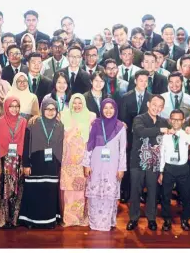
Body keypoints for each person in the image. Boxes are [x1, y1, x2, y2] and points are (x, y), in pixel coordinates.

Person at [19, 98, 63, 229]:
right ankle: (32, 220)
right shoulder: (33, 123)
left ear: (57, 111)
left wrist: (59, 165)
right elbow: (26, 145)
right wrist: (26, 164)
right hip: (35, 163)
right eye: (47, 109)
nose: (50, 112)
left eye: (53, 109)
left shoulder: (60, 125)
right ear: (42, 110)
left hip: (52, 164)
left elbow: (61, 146)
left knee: (49, 192)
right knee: (35, 191)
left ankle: (49, 220)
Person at [126, 95, 168, 231]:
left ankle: (151, 218)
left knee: (153, 192)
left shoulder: (163, 121)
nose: (156, 108)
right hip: (137, 162)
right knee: (135, 192)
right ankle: (133, 218)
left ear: (163, 108)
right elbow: (141, 131)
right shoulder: (139, 118)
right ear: (148, 104)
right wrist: (160, 130)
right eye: (154, 104)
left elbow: (174, 130)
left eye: (160, 106)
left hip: (154, 163)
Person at [83, 98, 126, 231]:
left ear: (115, 109)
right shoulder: (95, 124)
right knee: (95, 193)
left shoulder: (120, 127)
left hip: (112, 165)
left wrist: (121, 168)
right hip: (96, 164)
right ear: (101, 109)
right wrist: (87, 164)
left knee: (109, 193)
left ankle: (107, 222)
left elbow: (122, 149)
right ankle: (95, 222)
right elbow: (89, 145)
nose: (108, 111)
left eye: (111, 108)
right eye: (105, 108)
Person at [0, 96, 27, 228]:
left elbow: (26, 143)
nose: (14, 109)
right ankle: (3, 219)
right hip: (4, 161)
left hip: (18, 161)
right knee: (3, 189)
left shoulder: (23, 122)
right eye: (11, 106)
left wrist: (24, 164)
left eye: (17, 106)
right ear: (6, 107)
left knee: (17, 189)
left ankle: (14, 219)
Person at [60, 93, 96, 227]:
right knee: (68, 190)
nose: (77, 105)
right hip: (68, 160)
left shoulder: (91, 117)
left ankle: (81, 217)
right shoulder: (63, 116)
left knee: (81, 189)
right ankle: (69, 219)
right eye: (74, 103)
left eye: (80, 102)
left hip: (83, 159)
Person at [158, 109, 190, 231]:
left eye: (179, 119)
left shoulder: (185, 134)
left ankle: (185, 219)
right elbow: (162, 154)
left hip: (183, 168)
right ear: (169, 120)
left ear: (183, 121)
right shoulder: (166, 136)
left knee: (185, 195)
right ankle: (167, 220)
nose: (176, 122)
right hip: (169, 168)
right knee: (165, 195)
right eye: (173, 119)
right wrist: (161, 171)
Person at [118, 70, 152, 203]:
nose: (143, 83)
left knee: (143, 164)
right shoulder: (126, 97)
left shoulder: (151, 97)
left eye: (145, 81)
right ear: (135, 81)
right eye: (141, 80)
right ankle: (125, 192)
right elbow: (122, 118)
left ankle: (141, 192)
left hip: (145, 137)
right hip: (129, 137)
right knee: (127, 164)